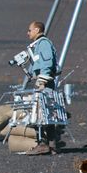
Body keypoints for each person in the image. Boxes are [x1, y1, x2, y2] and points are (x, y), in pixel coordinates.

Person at [24, 21, 59, 156]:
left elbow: (47, 62)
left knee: (39, 114)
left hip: (44, 83)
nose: (28, 33)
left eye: (29, 30)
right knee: (47, 113)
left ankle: (43, 145)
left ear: (37, 30)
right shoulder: (38, 45)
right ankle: (52, 145)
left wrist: (42, 79)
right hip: (42, 82)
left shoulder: (43, 44)